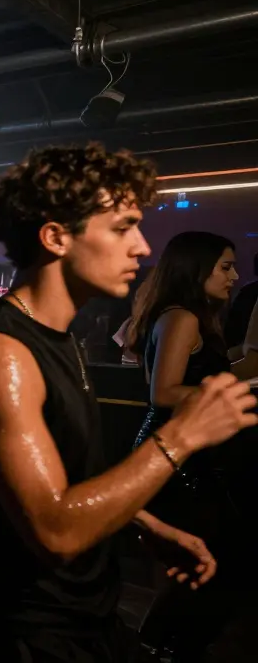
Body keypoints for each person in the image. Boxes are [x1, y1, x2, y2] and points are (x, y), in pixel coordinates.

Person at [0, 143, 258, 661]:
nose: (141, 246)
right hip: (24, 633)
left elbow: (58, 475)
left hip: (83, 620)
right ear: (55, 237)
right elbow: (56, 529)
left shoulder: (57, 338)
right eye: (121, 227)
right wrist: (183, 434)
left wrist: (146, 522)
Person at [127, 231, 252, 658]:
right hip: (177, 459)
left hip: (184, 453)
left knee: (207, 566)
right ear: (196, 268)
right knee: (213, 566)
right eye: (225, 266)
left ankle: (159, 647)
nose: (235, 275)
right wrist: (237, 386)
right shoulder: (182, 317)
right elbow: (162, 393)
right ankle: (161, 647)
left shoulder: (184, 315)